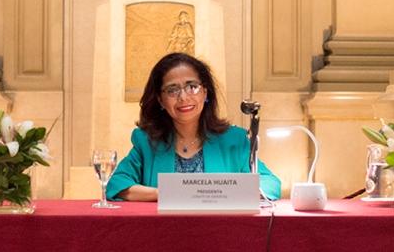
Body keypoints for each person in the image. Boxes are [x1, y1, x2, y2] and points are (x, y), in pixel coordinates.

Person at [106, 52, 281, 201]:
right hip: (161, 232)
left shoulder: (234, 141)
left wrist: (222, 193)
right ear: (160, 99)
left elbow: (271, 184)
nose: (183, 97)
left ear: (205, 91)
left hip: (221, 232)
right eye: (172, 90)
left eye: (192, 87)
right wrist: (166, 193)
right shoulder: (147, 142)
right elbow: (116, 184)